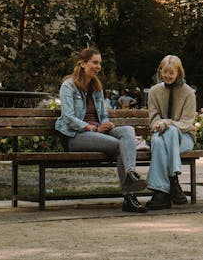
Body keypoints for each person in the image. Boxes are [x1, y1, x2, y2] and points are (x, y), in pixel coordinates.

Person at [55, 47, 147, 213]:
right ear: (83, 64)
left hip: (97, 132)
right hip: (75, 135)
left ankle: (130, 172)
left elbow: (103, 114)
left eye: (100, 64)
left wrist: (106, 124)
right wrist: (93, 127)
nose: (98, 67)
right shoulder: (68, 86)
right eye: (94, 63)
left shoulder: (96, 87)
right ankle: (129, 196)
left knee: (127, 131)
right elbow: (68, 118)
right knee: (122, 145)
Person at [145, 54, 196, 210]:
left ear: (178, 73)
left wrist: (168, 123)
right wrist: (158, 125)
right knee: (158, 141)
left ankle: (161, 191)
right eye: (164, 72)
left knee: (172, 131)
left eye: (171, 73)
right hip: (160, 134)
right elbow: (153, 119)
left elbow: (187, 123)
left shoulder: (188, 92)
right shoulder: (154, 91)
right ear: (160, 71)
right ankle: (171, 183)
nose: (167, 76)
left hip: (184, 137)